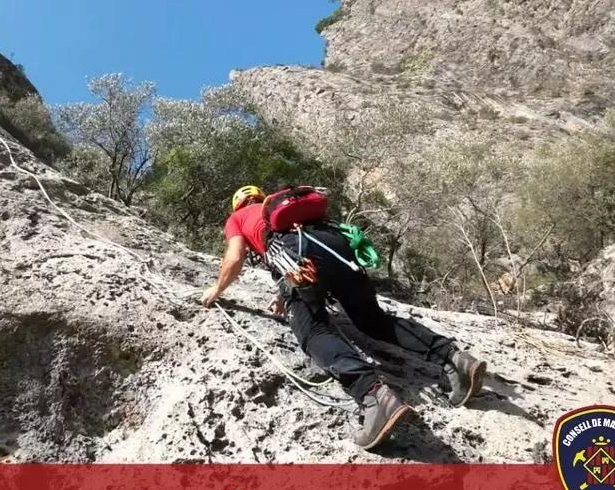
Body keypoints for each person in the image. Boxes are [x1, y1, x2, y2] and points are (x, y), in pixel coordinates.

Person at [200, 185, 487, 450]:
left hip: (296, 254)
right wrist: (283, 293)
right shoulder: (285, 211)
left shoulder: (237, 218)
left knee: (314, 331)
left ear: (237, 206)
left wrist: (217, 289)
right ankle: (455, 359)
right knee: (373, 319)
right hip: (334, 244)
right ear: (264, 200)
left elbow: (235, 256)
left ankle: (373, 396)